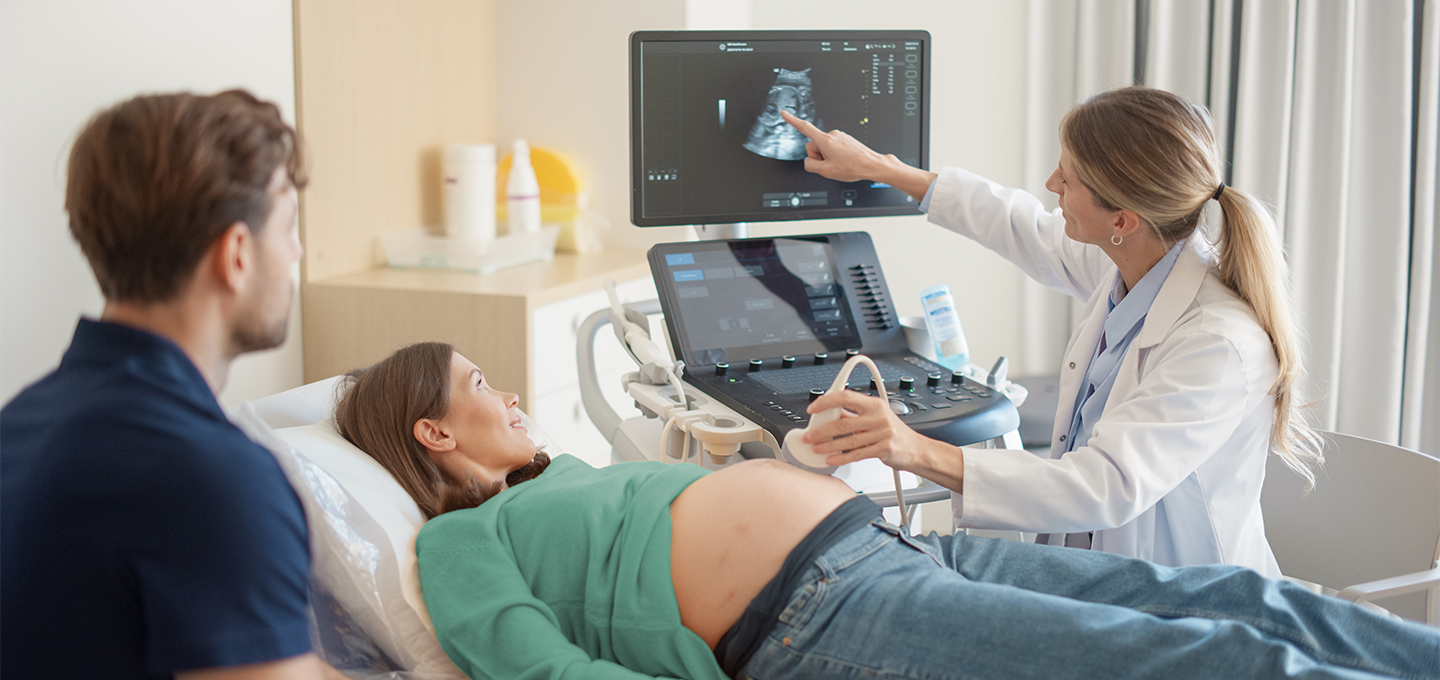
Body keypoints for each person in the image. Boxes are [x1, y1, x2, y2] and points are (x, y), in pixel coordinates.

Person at [332, 341, 1439, 680]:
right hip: (812, 614)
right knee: (1185, 658)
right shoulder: (460, 539)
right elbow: (535, 667)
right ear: (432, 432)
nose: (508, 393)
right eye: (479, 386)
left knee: (1234, 598)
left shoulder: (565, 476)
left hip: (894, 554)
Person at [778, 86, 1321, 575]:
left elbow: (1104, 484)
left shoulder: (1218, 343)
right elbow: (1021, 226)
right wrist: (878, 167)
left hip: (1183, 603)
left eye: (1069, 178)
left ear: (1122, 220)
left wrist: (911, 448)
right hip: (1086, 572)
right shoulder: (1128, 262)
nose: (1051, 184)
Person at [1, 91, 335, 679]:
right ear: (235, 254)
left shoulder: (22, 423)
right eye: (289, 229)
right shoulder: (213, 481)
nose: (297, 252)